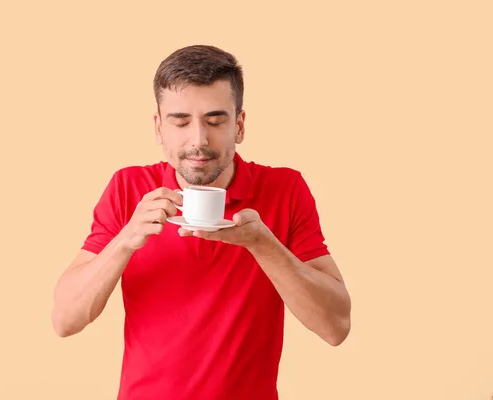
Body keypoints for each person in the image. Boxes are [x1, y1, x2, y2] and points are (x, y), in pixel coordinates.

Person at [51, 44, 352, 400]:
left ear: (239, 126)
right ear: (159, 127)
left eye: (215, 121)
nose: (198, 141)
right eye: (180, 121)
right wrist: (126, 239)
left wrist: (262, 245)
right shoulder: (127, 188)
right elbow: (65, 321)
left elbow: (336, 326)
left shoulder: (285, 190)